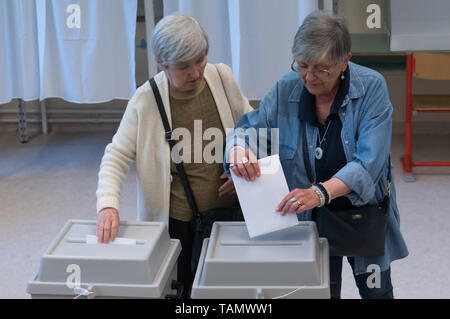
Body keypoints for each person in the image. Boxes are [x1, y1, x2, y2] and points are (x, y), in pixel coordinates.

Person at [225, 12, 408, 299]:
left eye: (321, 69)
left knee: (377, 292)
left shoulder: (371, 87)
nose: (309, 77)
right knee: (320, 292)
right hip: (308, 218)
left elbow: (368, 164)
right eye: (302, 65)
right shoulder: (287, 87)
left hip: (361, 213)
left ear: (344, 61)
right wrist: (238, 149)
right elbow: (250, 128)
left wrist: (320, 193)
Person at [96, 14, 252, 297]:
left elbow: (252, 127)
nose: (195, 72)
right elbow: (116, 155)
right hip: (179, 223)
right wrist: (108, 205)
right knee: (182, 291)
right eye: (183, 66)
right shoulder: (145, 101)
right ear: (162, 64)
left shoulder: (222, 77)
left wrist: (241, 167)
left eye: (200, 59)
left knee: (231, 291)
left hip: (231, 213)